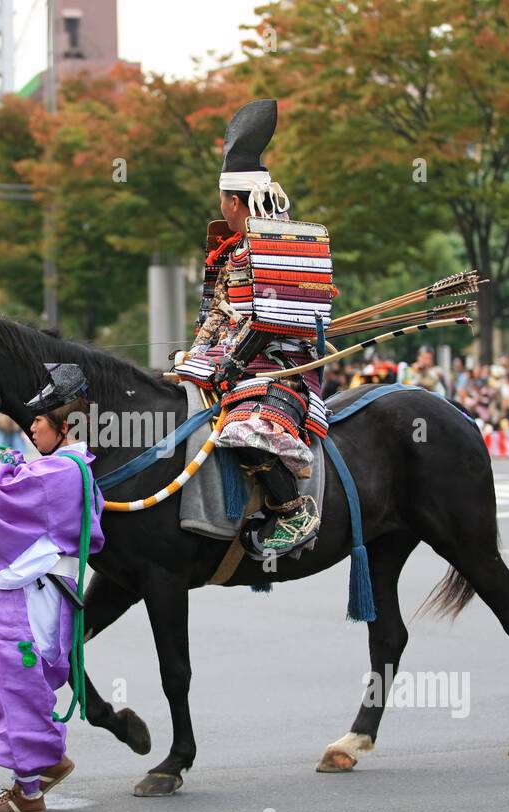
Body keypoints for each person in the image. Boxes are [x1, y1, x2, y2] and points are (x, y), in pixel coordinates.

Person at [170, 98, 330, 559]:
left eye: (222, 198)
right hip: (236, 362)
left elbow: (272, 321)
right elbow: (219, 314)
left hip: (279, 367)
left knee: (245, 429)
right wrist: (193, 356)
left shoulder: (278, 246)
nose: (218, 205)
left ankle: (292, 507)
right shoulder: (232, 251)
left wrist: (227, 363)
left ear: (235, 200)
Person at [0, 363, 105, 812]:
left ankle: (30, 789)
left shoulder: (60, 472)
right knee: (16, 681)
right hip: (36, 589)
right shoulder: (66, 468)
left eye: (38, 420)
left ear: (64, 427)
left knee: (14, 681)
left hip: (30, 594)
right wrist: (4, 463)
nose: (31, 427)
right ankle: (40, 769)